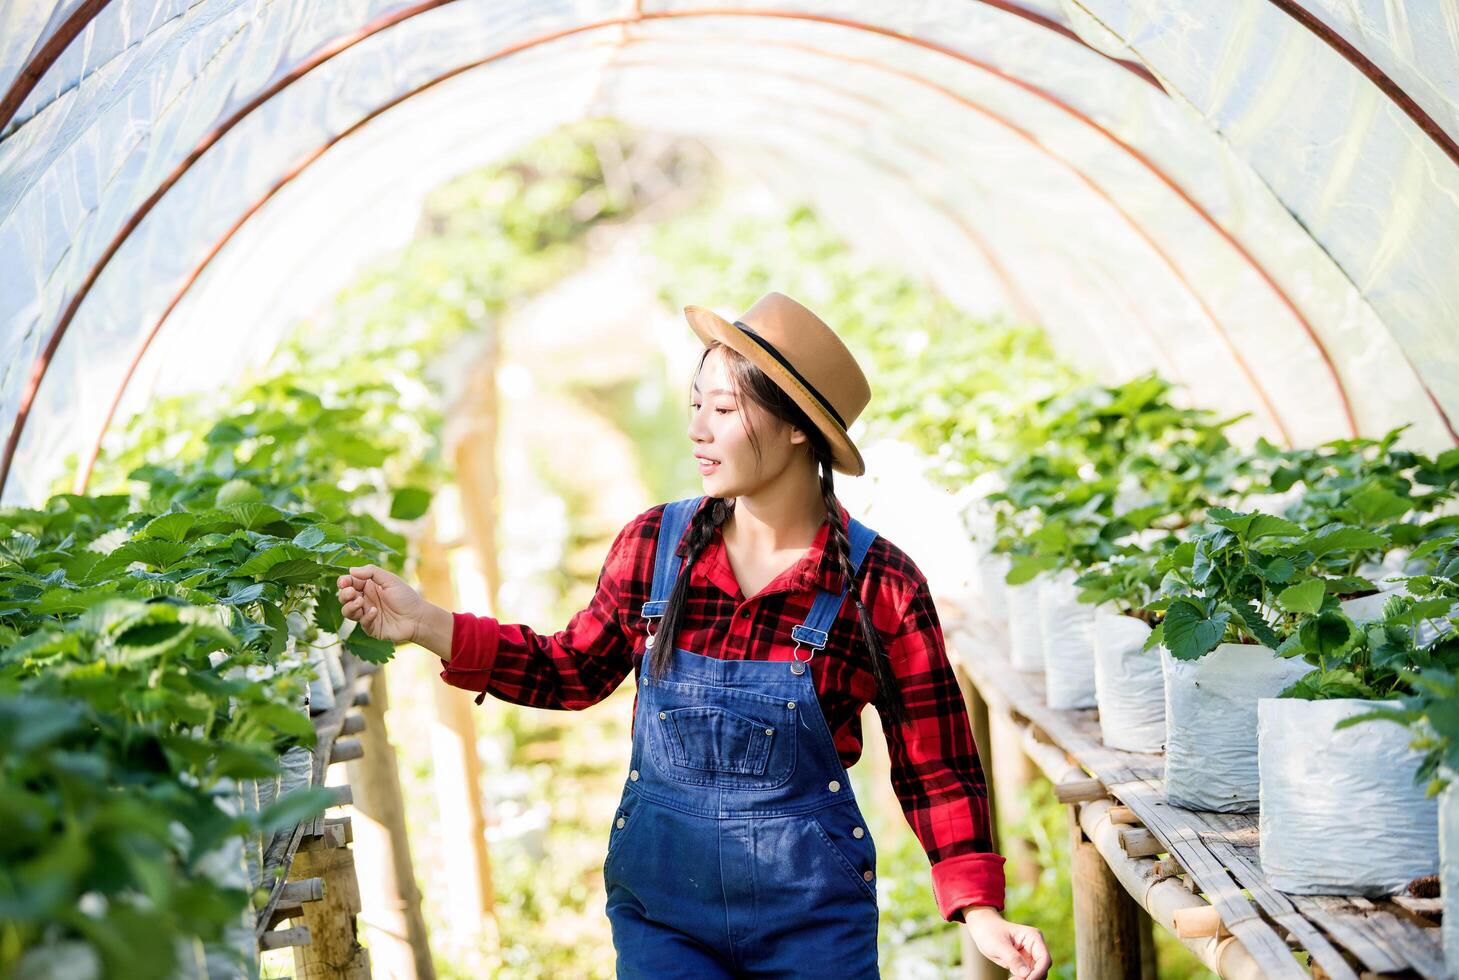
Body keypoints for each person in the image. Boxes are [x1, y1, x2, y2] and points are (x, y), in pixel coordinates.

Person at [336, 291, 1051, 979]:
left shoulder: (879, 584)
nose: (697, 430)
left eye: (723, 408)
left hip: (811, 926)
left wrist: (979, 909)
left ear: (798, 425)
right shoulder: (655, 547)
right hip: (664, 918)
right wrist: (428, 623)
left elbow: (936, 763)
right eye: (694, 406)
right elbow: (572, 671)